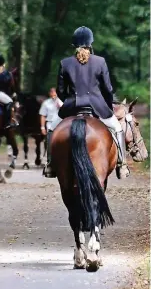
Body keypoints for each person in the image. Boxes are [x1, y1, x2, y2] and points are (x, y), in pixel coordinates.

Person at [44, 26, 130, 180]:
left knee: (51, 128)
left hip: (72, 106)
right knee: (117, 129)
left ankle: (50, 164)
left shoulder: (65, 63)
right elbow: (108, 89)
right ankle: (122, 165)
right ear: (91, 44)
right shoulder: (100, 61)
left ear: (74, 45)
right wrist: (107, 105)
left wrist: (70, 102)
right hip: (97, 107)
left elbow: (61, 91)